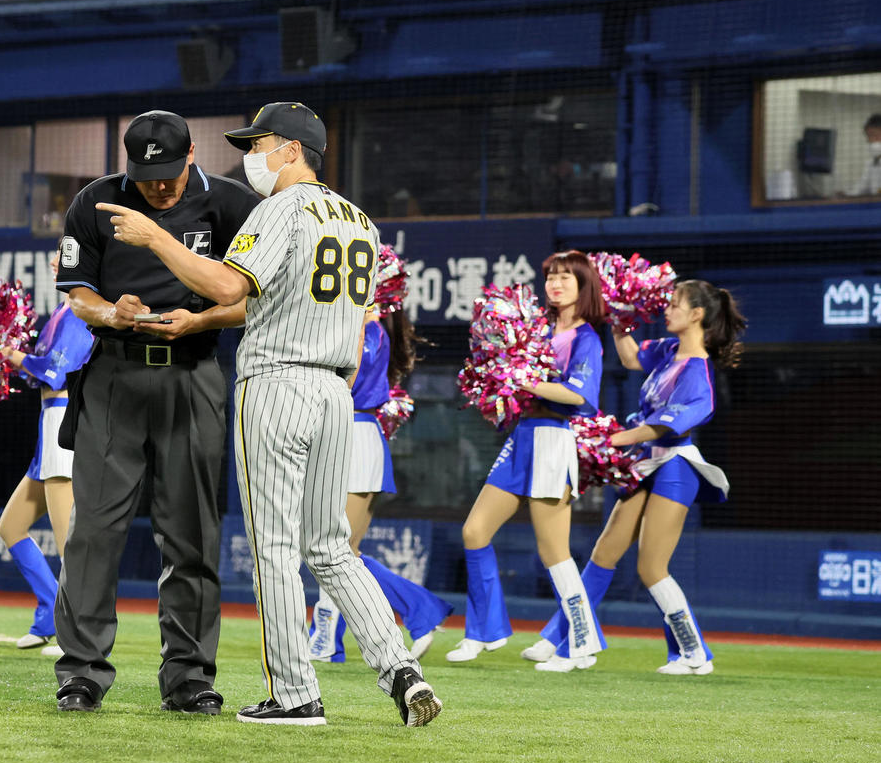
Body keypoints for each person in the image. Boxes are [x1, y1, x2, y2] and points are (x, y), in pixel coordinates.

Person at [101, 101, 442, 727]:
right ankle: (402, 671)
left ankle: (294, 695)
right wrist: (204, 318)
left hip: (279, 383)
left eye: (259, 144)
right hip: (336, 393)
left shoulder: (280, 207)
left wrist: (156, 238)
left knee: (276, 550)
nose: (249, 155)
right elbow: (277, 296)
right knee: (333, 548)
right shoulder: (358, 218)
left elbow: (230, 287)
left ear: (292, 150)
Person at [50, 110, 259, 715]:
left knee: (191, 532)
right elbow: (77, 293)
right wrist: (111, 311)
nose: (158, 187)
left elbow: (251, 299)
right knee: (93, 531)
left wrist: (201, 319)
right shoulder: (96, 202)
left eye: (168, 174)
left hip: (194, 373)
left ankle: (189, 676)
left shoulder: (229, 204)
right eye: (147, 176)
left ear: (191, 154)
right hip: (115, 373)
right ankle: (82, 673)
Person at [524, 279, 747, 675]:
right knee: (604, 552)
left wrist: (612, 437)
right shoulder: (668, 351)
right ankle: (572, 640)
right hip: (646, 463)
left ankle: (693, 653)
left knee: (651, 567)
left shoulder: (699, 372)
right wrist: (619, 320)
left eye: (676, 304)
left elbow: (663, 427)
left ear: (697, 315)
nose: (667, 309)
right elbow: (629, 358)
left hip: (676, 466)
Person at [446, 251, 606, 672]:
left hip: (554, 439)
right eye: (551, 276)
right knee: (474, 531)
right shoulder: (535, 330)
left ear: (582, 286)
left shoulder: (587, 338)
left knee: (554, 550)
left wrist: (526, 380)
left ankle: (582, 645)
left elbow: (580, 396)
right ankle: (483, 631)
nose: (555, 283)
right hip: (522, 437)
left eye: (566, 278)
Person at [308, 251, 452, 665]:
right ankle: (416, 610)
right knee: (336, 549)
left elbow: (344, 382)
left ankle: (328, 640)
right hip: (353, 434)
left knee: (334, 549)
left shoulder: (368, 332)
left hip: (353, 434)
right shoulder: (365, 328)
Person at [0, 247, 94, 655]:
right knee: (11, 527)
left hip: (62, 420)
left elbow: (56, 371)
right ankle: (49, 614)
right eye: (55, 256)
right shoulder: (62, 308)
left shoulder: (82, 308)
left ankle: (79, 635)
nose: (55, 262)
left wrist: (13, 356)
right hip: (47, 421)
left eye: (63, 255)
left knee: (66, 537)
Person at [850, 113, 881, 197]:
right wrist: (847, 195)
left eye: (874, 135)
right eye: (868, 136)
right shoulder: (872, 163)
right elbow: (861, 188)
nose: (870, 140)